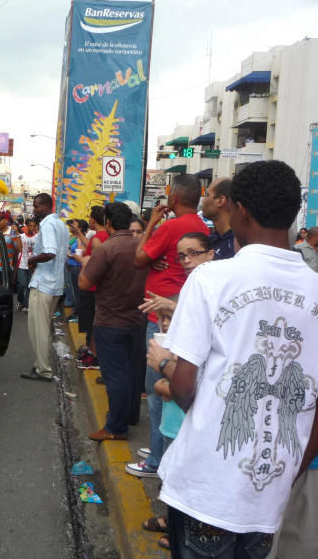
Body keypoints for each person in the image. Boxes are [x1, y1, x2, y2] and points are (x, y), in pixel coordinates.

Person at [158, 160, 318, 556]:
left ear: (240, 209)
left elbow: (184, 385)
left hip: (205, 487)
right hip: (268, 492)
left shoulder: (210, 279)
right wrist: (294, 468)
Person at [141, 231, 216, 551]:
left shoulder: (213, 283)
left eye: (194, 253)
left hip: (188, 391)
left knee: (188, 469)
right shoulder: (194, 285)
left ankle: (180, 529)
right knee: (174, 466)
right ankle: (173, 520)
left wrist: (164, 370)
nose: (186, 261)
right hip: (177, 390)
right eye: (181, 256)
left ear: (211, 254)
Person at [132, 173, 210, 478]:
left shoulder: (171, 226)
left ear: (173, 197)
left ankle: (156, 459)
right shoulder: (201, 227)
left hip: (161, 311)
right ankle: (160, 449)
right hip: (183, 309)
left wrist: (152, 222)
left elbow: (139, 257)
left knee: (158, 388)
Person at [79, 202, 148, 440]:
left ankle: (116, 428)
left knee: (115, 375)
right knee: (131, 371)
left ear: (108, 222)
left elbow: (84, 284)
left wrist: (84, 265)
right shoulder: (143, 245)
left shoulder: (108, 248)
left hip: (111, 321)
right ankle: (129, 416)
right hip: (138, 319)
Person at [20, 193, 69, 382]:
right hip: (55, 284)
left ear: (47, 207)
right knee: (43, 327)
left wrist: (32, 260)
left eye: (37, 206)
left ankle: (43, 369)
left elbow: (50, 252)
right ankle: (43, 364)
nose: (34, 209)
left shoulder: (48, 224)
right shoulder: (61, 225)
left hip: (44, 283)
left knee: (38, 328)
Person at [76, 206, 109, 370]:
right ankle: (91, 351)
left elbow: (95, 263)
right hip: (96, 286)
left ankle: (94, 355)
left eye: (90, 217)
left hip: (92, 286)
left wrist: (81, 260)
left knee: (93, 323)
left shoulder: (99, 238)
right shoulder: (102, 236)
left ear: (94, 219)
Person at [201, 177, 235, 260]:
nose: (203, 200)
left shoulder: (235, 245)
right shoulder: (211, 239)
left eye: (207, 195)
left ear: (221, 200)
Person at [16, 218, 38, 311]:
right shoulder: (21, 236)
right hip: (22, 264)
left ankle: (26, 304)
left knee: (29, 286)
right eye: (30, 225)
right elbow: (18, 249)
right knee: (22, 284)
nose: (32, 228)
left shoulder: (37, 237)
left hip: (32, 266)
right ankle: (20, 300)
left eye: (34, 226)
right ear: (27, 226)